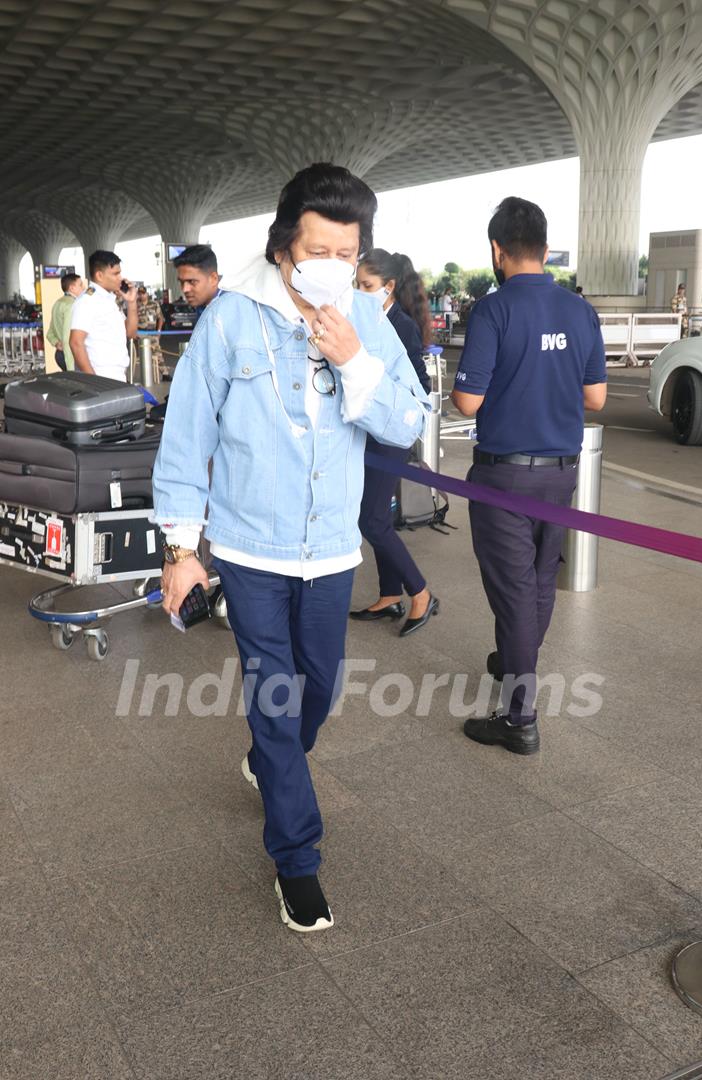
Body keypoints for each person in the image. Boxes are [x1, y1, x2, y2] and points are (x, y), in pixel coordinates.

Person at [153, 163, 429, 933]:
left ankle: (271, 763)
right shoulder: (232, 318)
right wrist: (182, 547)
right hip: (250, 549)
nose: (333, 267)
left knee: (321, 692)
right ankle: (297, 858)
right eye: (319, 250)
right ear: (283, 248)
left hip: (333, 548)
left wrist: (353, 360)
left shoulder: (364, 320)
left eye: (348, 253)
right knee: (275, 703)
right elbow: (187, 437)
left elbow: (408, 421)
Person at [451, 196, 607, 756]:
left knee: (516, 595)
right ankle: (515, 662)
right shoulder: (580, 311)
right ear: (544, 247)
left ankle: (519, 719)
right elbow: (597, 396)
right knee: (539, 584)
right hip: (562, 476)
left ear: (497, 250)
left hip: (504, 479)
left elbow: (468, 402)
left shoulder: (494, 311)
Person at [352, 249, 438, 635]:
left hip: (391, 430)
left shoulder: (398, 325)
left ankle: (420, 592)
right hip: (372, 428)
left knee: (371, 519)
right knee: (377, 515)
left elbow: (420, 385)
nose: (358, 292)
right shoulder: (374, 318)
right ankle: (389, 594)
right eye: (356, 284)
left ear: (387, 287)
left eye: (366, 286)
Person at [69, 250, 137, 381]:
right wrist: (95, 382)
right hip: (101, 376)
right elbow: (76, 343)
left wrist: (131, 302)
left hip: (117, 375)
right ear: (99, 276)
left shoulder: (109, 300)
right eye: (115, 274)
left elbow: (131, 333)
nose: (120, 278)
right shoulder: (87, 301)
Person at [47, 272, 85, 371]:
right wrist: (72, 369)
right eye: (80, 285)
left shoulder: (58, 303)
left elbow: (50, 333)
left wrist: (56, 343)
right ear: (72, 288)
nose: (84, 287)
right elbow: (67, 338)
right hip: (71, 357)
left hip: (60, 354)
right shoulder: (72, 305)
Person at [172, 244, 222, 314]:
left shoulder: (229, 311)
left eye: (192, 281)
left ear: (213, 279)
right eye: (182, 282)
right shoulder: (203, 306)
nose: (185, 289)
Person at [136, 285, 164, 372]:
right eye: (139, 294)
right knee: (144, 355)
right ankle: (146, 374)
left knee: (158, 352)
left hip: (152, 333)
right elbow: (131, 319)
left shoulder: (154, 304)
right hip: (141, 333)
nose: (141, 296)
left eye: (143, 293)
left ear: (147, 294)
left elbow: (161, 318)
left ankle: (164, 372)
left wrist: (159, 331)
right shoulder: (135, 305)